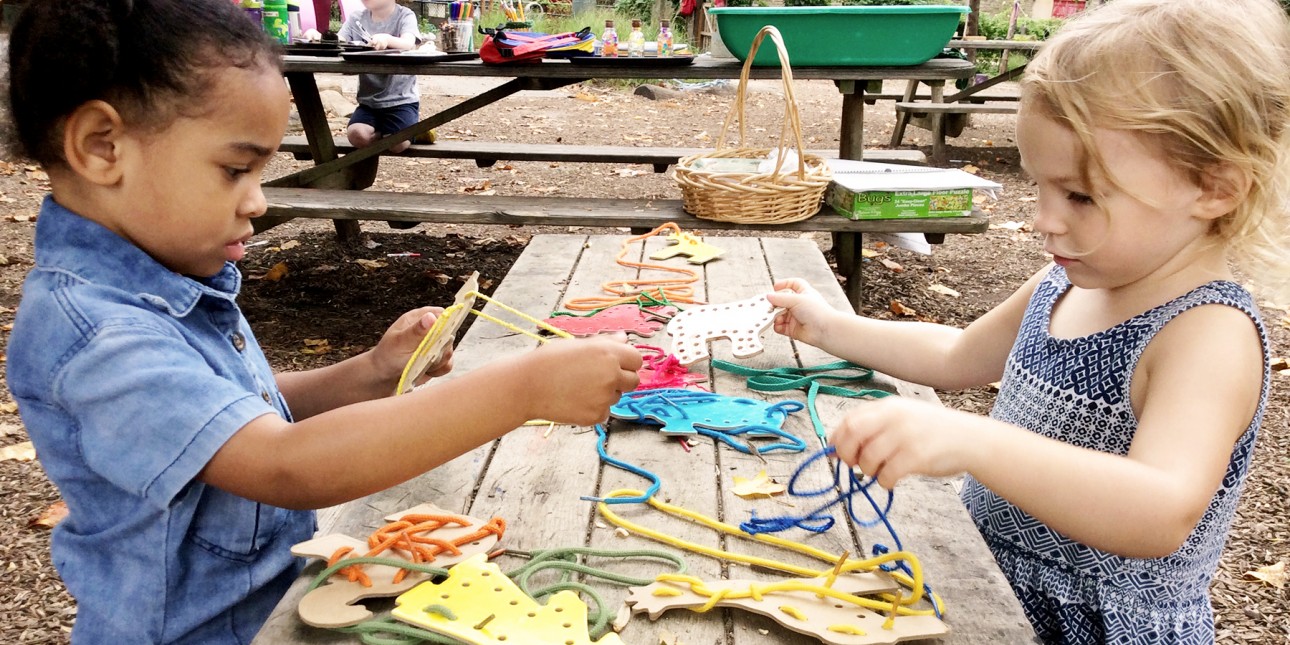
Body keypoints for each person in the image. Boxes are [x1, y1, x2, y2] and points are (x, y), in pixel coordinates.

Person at [3, 2, 641, 643]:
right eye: (234, 170)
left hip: (278, 608)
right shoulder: (99, 335)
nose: (256, 200)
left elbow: (246, 410)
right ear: (102, 146)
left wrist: (368, 372)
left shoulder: (163, 278)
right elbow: (283, 466)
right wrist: (520, 390)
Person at [767, 0, 1289, 642]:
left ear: (1215, 187)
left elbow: (1161, 509)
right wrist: (828, 328)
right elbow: (957, 356)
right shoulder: (1062, 281)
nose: (1044, 218)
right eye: (1038, 185)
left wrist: (974, 442)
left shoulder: (1206, 332)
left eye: (1079, 195)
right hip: (991, 588)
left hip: (1094, 627)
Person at [338, 0, 422, 155]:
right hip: (369, 102)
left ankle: (414, 132)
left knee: (397, 144)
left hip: (401, 100)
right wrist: (316, 37)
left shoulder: (405, 15)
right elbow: (338, 43)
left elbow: (408, 43)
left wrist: (387, 39)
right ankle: (389, 134)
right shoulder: (356, 18)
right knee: (357, 136)